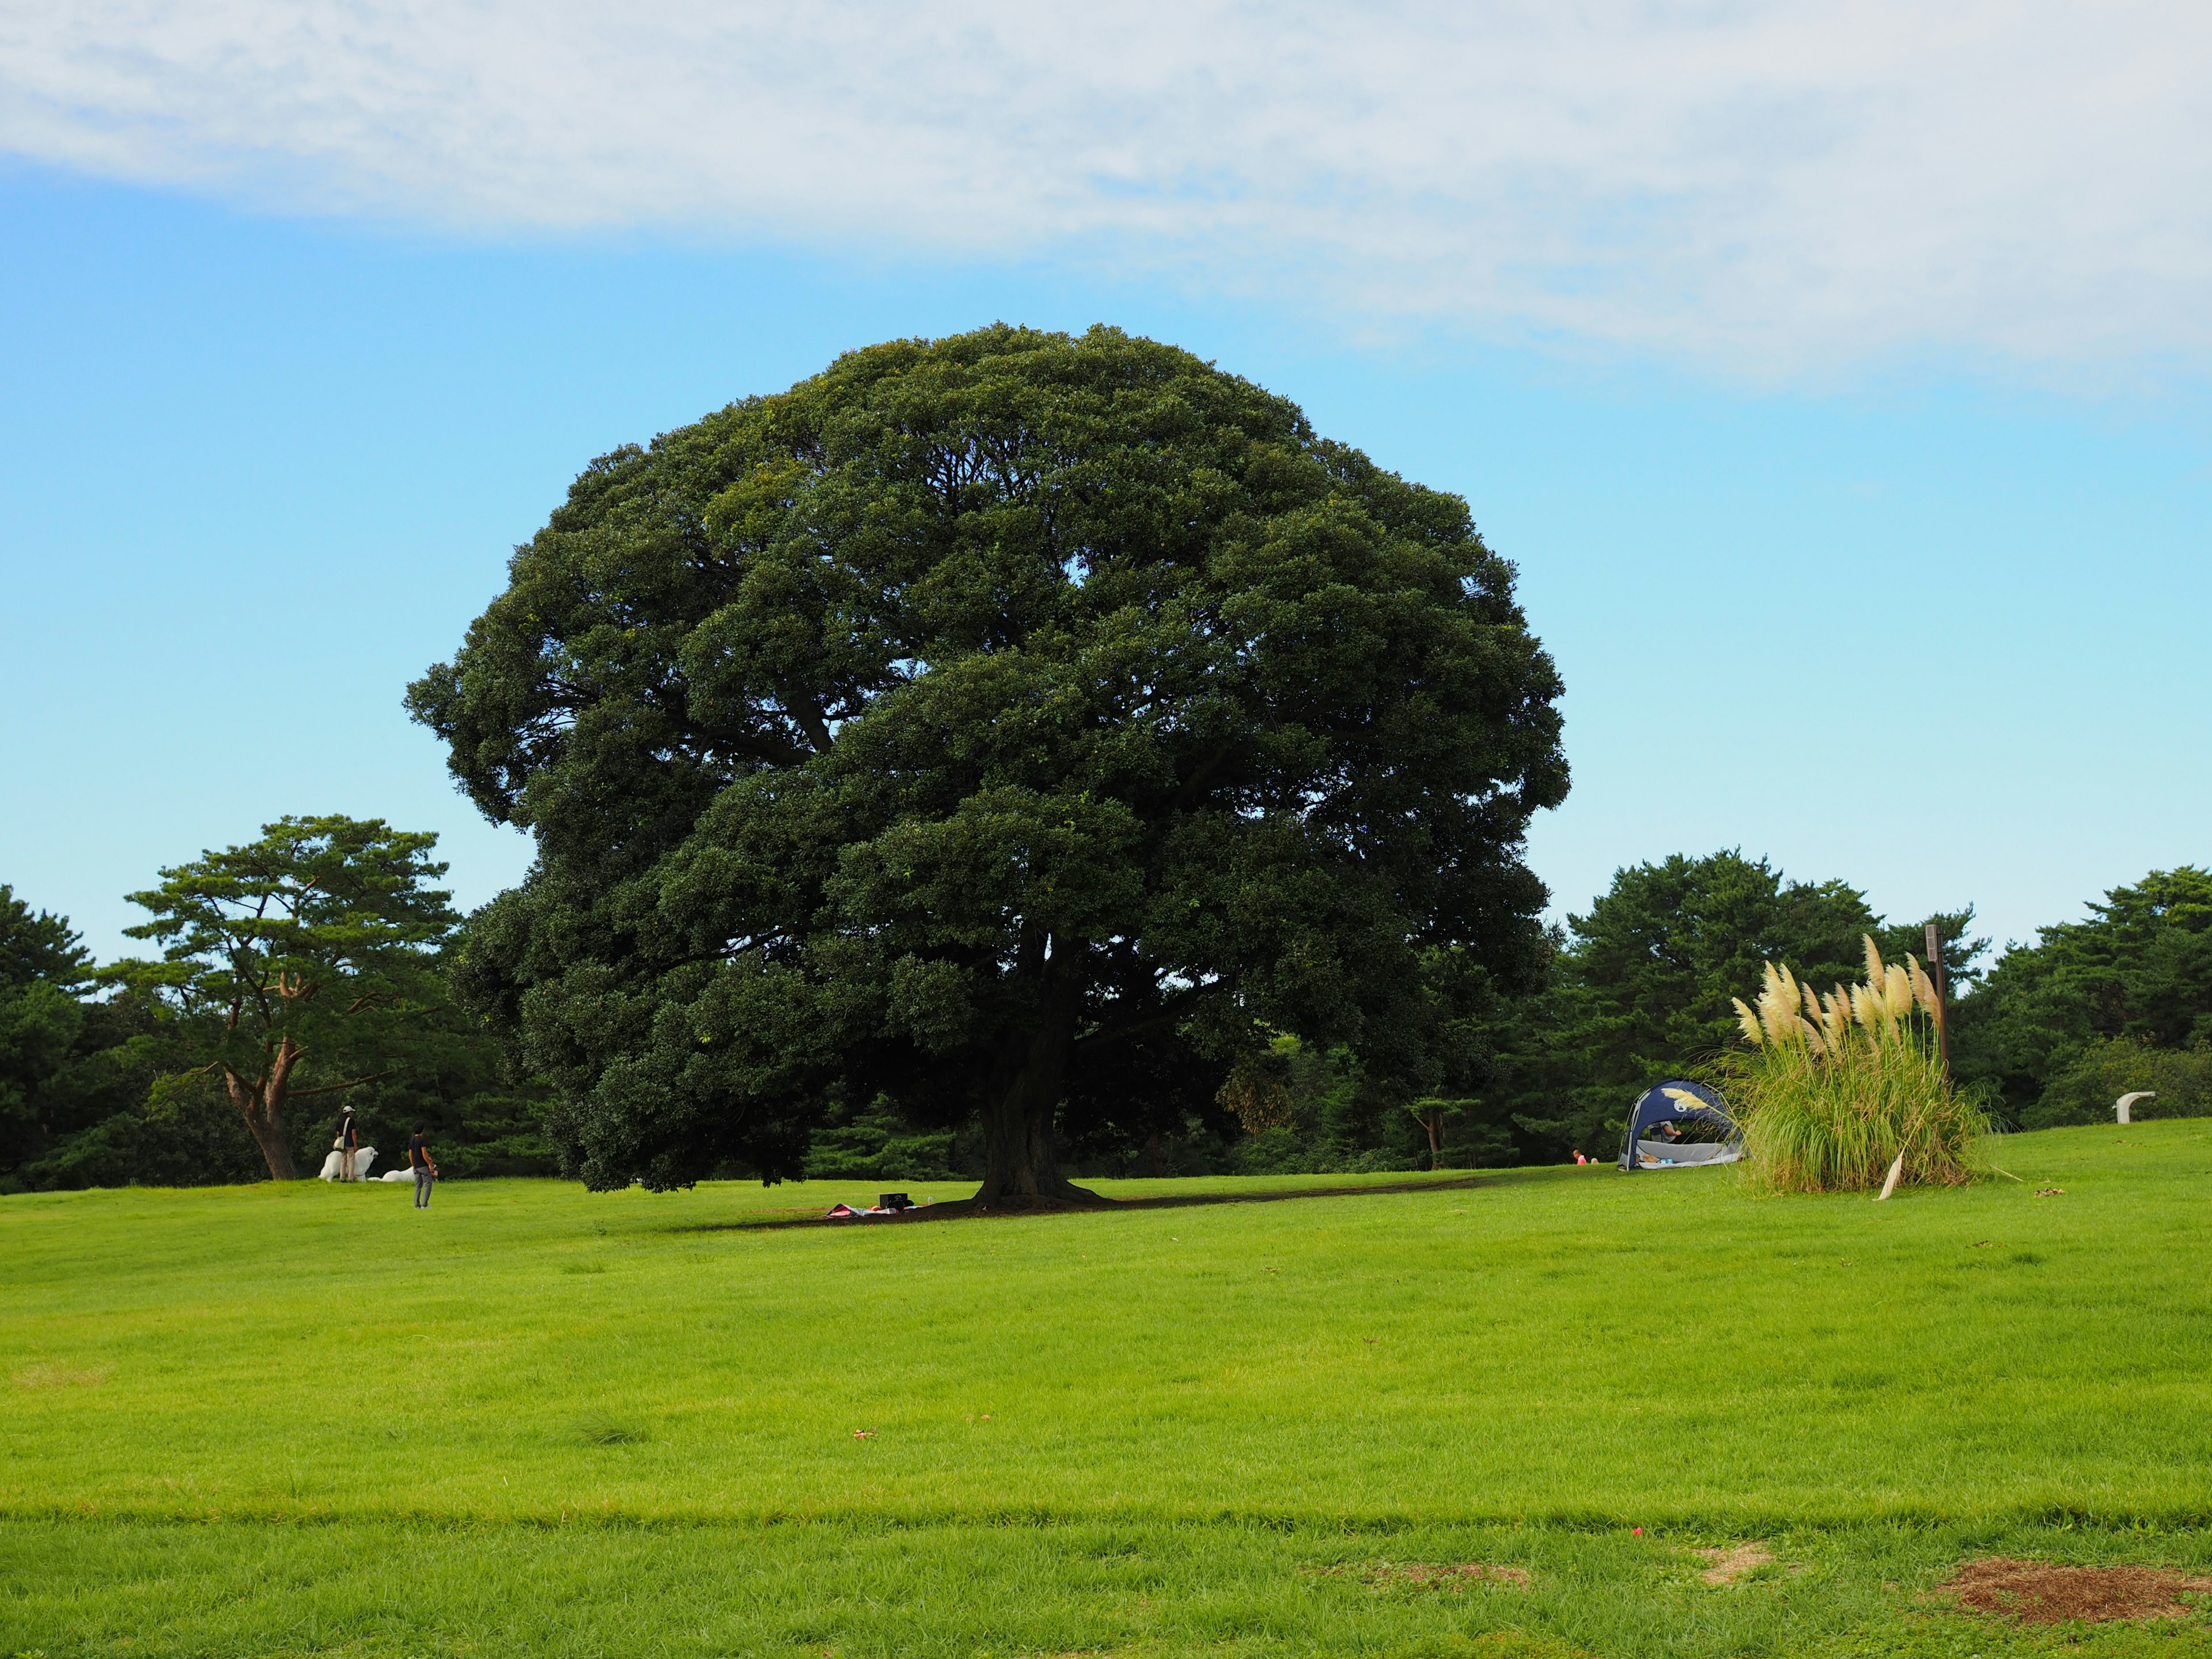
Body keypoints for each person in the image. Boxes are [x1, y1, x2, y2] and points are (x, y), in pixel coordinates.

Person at [407, 1122, 437, 1209]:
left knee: (418, 1185)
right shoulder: (422, 1140)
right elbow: (424, 1153)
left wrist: (413, 1164)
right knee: (428, 1183)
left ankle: (417, 1205)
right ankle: (425, 1204)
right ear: (423, 1130)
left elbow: (410, 1154)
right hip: (423, 1166)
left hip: (416, 1166)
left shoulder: (411, 1140)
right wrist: (430, 1164)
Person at [335, 1106, 360, 1182]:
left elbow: (338, 1133)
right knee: (351, 1160)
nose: (352, 1114)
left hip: (342, 1144)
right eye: (352, 1112)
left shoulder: (340, 1121)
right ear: (349, 1113)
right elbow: (353, 1133)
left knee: (343, 1161)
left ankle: (342, 1178)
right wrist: (355, 1145)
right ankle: (351, 1178)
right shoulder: (351, 1121)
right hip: (349, 1143)